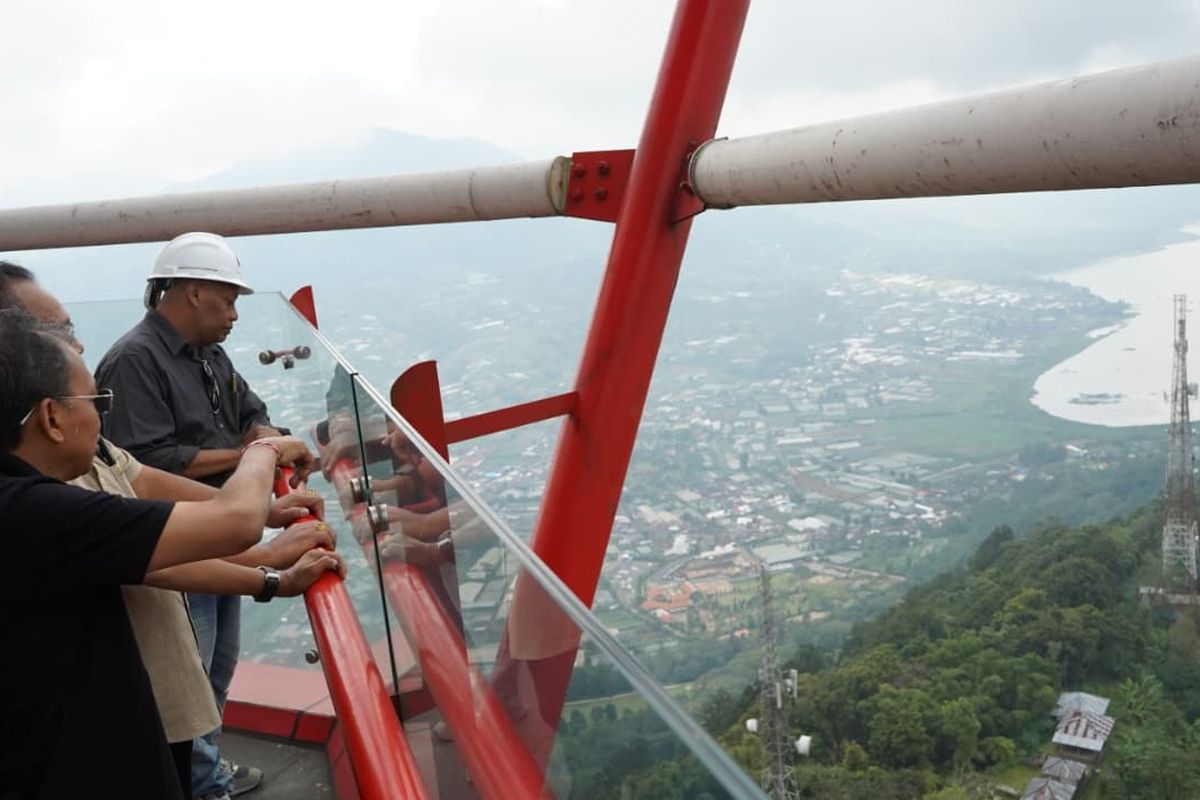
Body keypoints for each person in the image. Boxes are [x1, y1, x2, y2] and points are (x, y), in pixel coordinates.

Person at [0, 266, 341, 797]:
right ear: (49, 417)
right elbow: (190, 538)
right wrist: (262, 459)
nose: (79, 344)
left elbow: (137, 476)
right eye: (95, 404)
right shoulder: (37, 509)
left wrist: (267, 525)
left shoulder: (42, 492)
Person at [95, 232, 286, 799]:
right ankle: (199, 783)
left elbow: (253, 412)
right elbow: (148, 459)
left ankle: (205, 773)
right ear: (193, 291)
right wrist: (254, 455)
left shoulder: (209, 356)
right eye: (226, 299)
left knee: (215, 667)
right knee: (188, 672)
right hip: (176, 539)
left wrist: (260, 439)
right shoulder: (135, 362)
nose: (232, 315)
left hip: (220, 528)